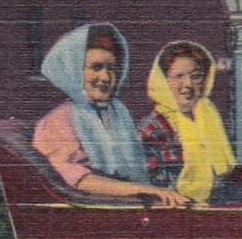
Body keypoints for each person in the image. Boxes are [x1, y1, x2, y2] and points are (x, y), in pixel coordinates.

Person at [31, 23, 188, 208]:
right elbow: (80, 180)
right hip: (91, 210)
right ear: (73, 72)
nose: (105, 77)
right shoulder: (58, 121)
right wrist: (145, 190)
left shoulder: (117, 113)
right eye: (96, 67)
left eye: (111, 68)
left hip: (128, 204)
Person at [137, 40, 242, 207]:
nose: (188, 84)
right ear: (161, 81)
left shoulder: (207, 118)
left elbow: (230, 176)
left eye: (195, 76)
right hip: (174, 217)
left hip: (212, 211)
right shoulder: (152, 128)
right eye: (178, 77)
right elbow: (148, 189)